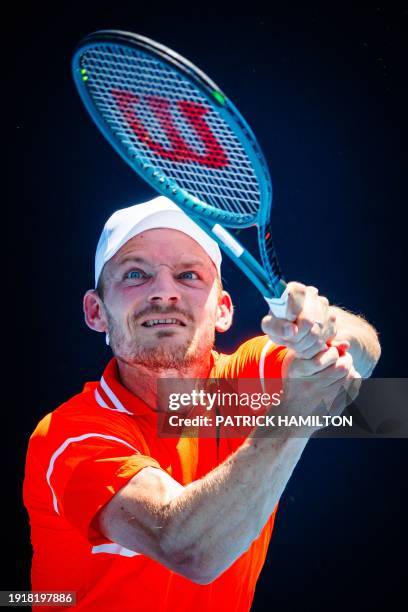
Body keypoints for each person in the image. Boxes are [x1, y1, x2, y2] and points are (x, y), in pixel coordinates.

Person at [23, 196, 381, 611]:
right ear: (96, 312)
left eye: (188, 275)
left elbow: (364, 359)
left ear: (223, 311)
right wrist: (294, 414)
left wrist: (325, 330)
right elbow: (190, 550)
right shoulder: (67, 435)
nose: (163, 292)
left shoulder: (238, 383)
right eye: (136, 273)